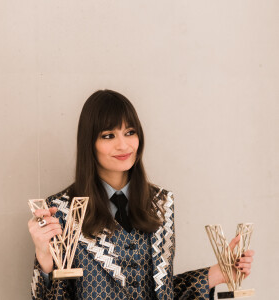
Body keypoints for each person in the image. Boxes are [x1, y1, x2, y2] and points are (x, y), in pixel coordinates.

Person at [28, 90, 254, 300]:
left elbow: (162, 293)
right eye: (108, 136)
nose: (124, 145)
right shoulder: (61, 210)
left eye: (130, 132)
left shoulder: (161, 204)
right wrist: (45, 262)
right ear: (90, 143)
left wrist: (220, 272)